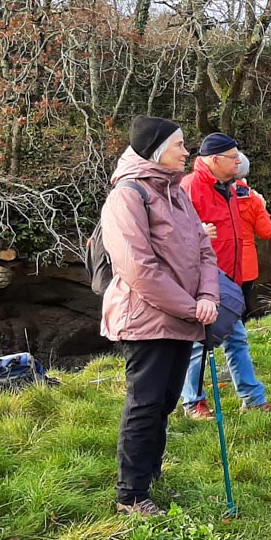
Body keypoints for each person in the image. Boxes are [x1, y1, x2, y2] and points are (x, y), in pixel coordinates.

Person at [100, 115, 220, 516]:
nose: (186, 151)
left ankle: (150, 478)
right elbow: (138, 269)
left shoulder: (177, 193)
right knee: (146, 403)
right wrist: (192, 307)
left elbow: (204, 249)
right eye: (179, 145)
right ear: (155, 151)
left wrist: (207, 296)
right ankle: (131, 496)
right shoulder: (127, 197)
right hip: (144, 319)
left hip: (182, 317)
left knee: (167, 400)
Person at [180, 133, 271, 416]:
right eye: (233, 158)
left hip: (230, 280)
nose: (239, 162)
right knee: (200, 342)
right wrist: (197, 232)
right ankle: (193, 402)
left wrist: (256, 202)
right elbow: (170, 236)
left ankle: (253, 399)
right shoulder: (189, 188)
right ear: (214, 160)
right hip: (202, 279)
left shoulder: (234, 189)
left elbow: (261, 231)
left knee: (236, 339)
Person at [232, 153, 271, 317]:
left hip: (219, 260)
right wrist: (262, 208)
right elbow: (266, 232)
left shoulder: (213, 192)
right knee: (242, 306)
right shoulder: (252, 198)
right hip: (246, 261)